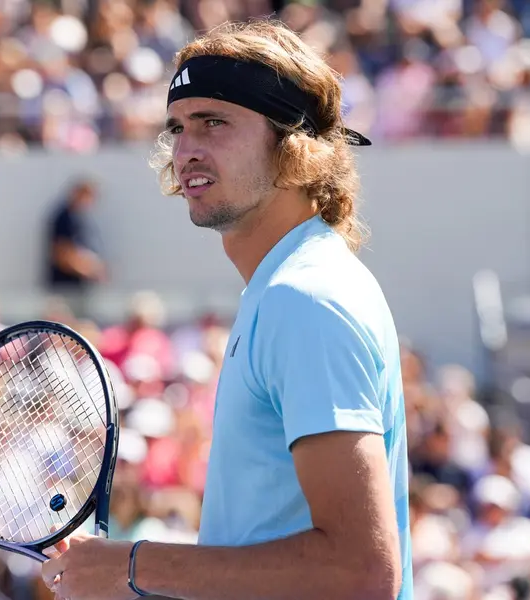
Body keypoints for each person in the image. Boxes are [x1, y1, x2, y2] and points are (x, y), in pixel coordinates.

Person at [41, 19, 413, 600]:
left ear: (294, 145)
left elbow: (360, 572)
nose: (186, 149)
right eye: (177, 127)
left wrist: (134, 566)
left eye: (214, 122)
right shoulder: (284, 289)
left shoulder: (304, 299)